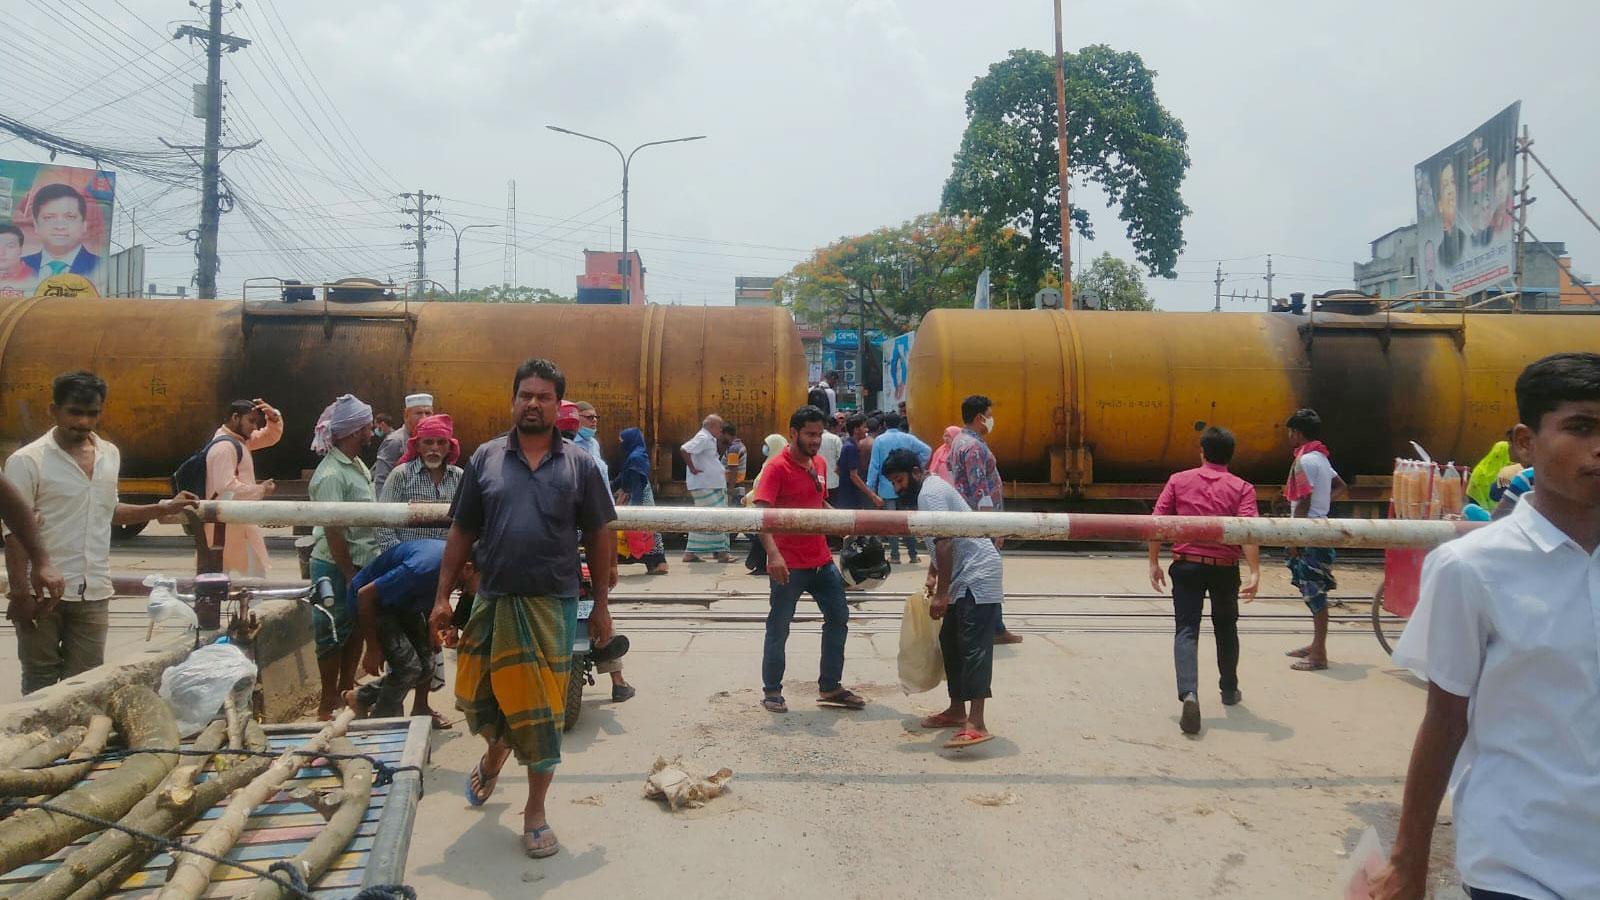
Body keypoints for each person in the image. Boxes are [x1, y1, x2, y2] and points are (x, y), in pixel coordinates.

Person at [1371, 352, 1600, 900]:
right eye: (1581, 427)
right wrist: (1408, 862)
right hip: (1520, 863)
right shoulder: (1472, 568)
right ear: (1525, 443)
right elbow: (1444, 722)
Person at [428, 357, 616, 860]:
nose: (533, 403)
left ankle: (535, 812)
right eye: (525, 395)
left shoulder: (580, 464)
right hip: (492, 603)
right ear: (513, 400)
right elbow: (462, 531)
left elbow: (600, 536)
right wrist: (443, 595)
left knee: (544, 715)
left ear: (559, 405)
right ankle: (493, 757)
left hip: (552, 605)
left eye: (544, 396)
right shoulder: (486, 460)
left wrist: (601, 604)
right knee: (482, 700)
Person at [2, 372, 195, 695]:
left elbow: (110, 511)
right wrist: (20, 593)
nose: (84, 422)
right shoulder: (27, 461)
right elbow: (14, 531)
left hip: (95, 591)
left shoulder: (109, 454)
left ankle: (77, 745)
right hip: (42, 594)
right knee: (40, 681)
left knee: (87, 685)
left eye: (92, 413)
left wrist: (160, 509)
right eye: (75, 412)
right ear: (54, 410)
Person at [882, 448, 1004, 748]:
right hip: (961, 575)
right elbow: (940, 543)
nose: (898, 489)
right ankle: (956, 710)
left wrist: (942, 593)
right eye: (894, 484)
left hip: (978, 575)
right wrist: (934, 573)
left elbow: (945, 541)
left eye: (899, 481)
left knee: (973, 649)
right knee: (950, 643)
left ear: (914, 472)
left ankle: (977, 722)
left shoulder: (929, 494)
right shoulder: (929, 490)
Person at [1147, 426, 1261, 735]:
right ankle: (1229, 689)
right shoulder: (1242, 488)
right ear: (1231, 455)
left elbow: (1158, 521)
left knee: (1186, 630)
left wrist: (1154, 562)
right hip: (1224, 567)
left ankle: (1190, 693)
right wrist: (1254, 571)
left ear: (1202, 452)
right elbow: (1248, 531)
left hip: (1186, 567)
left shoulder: (1179, 480)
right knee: (1226, 628)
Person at [751, 405, 865, 715]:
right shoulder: (777, 468)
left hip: (821, 561)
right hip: (789, 565)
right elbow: (762, 515)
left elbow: (817, 501)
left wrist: (844, 524)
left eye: (819, 435)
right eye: (810, 435)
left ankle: (830, 686)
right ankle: (772, 691)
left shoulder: (820, 463)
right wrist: (773, 556)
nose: (815, 441)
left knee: (838, 618)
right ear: (793, 433)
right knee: (779, 626)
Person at [307, 394, 379, 720]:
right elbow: (334, 530)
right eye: (367, 425)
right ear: (354, 431)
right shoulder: (332, 474)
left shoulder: (356, 465)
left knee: (355, 629)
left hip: (359, 562)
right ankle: (326, 703)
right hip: (336, 564)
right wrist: (349, 571)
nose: (372, 430)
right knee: (330, 633)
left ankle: (346, 691)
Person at [342, 538, 470, 721]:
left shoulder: (454, 565)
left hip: (405, 604)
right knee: (408, 669)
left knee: (427, 665)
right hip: (374, 606)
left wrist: (432, 631)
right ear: (468, 568)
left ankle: (361, 697)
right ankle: (381, 723)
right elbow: (365, 595)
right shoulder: (421, 568)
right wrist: (372, 647)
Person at [559, 402, 634, 703]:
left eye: (592, 418)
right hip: (563, 543)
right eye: (585, 418)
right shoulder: (562, 452)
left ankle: (617, 678)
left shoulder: (592, 447)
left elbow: (605, 516)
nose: (590, 422)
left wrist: (612, 561)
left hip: (587, 540)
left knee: (598, 604)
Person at [947, 395, 1023, 644]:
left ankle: (994, 626)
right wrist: (992, 527)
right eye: (989, 415)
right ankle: (993, 629)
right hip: (979, 523)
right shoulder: (974, 447)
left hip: (967, 519)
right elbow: (980, 489)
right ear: (980, 417)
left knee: (976, 573)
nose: (992, 420)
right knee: (988, 573)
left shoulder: (959, 441)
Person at [1282, 408, 1346, 672]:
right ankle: (1315, 644)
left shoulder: (1305, 461)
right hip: (1321, 529)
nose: (1288, 437)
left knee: (1314, 593)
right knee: (1314, 591)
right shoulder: (1320, 458)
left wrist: (1295, 538)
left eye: (1290, 432)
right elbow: (1341, 486)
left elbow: (1304, 500)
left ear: (1297, 433)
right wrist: (1325, 507)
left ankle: (1319, 654)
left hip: (1308, 533)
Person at [202, 398, 284, 578]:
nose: (255, 427)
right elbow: (226, 487)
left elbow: (269, 437)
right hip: (227, 524)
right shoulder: (225, 447)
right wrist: (260, 490)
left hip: (237, 521)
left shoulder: (239, 441)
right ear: (235, 418)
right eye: (251, 421)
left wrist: (274, 417)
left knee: (241, 578)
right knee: (238, 579)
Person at [376, 414, 464, 548]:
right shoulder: (401, 475)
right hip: (407, 561)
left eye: (441, 442)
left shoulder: (459, 477)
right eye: (428, 442)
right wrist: (400, 555)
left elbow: (468, 523)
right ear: (417, 445)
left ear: (450, 447)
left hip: (447, 561)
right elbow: (382, 521)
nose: (434, 448)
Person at [864, 412, 930, 565]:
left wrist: (871, 489)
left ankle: (895, 556)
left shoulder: (879, 440)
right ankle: (913, 555)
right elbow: (927, 451)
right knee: (908, 521)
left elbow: (874, 465)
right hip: (906, 485)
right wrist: (916, 467)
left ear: (884, 425)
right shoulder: (908, 438)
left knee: (891, 523)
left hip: (887, 488)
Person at [614, 427, 668, 576]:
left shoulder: (636, 458)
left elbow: (637, 482)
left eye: (622, 441)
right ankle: (658, 563)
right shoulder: (635, 455)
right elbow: (621, 478)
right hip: (639, 496)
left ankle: (658, 564)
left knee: (643, 532)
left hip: (639, 498)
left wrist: (635, 508)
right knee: (648, 531)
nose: (621, 444)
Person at [680, 414, 733, 563]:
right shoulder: (703, 438)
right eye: (719, 426)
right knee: (712, 518)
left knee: (714, 518)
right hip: (705, 485)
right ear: (712, 426)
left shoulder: (709, 439)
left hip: (712, 484)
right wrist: (693, 468)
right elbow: (685, 449)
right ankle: (715, 553)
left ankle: (717, 552)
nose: (721, 430)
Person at [20, 184, 99, 280]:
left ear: (84, 225)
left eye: (70, 217)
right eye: (49, 217)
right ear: (36, 225)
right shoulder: (18, 266)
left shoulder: (99, 266)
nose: (60, 226)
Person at [741, 434, 788, 576]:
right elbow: (759, 487)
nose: (764, 448)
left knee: (762, 537)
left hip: (769, 507)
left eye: (767, 445)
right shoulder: (768, 463)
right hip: (761, 504)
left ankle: (757, 564)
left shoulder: (775, 466)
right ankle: (757, 564)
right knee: (762, 537)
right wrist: (749, 497)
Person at [372, 392, 434, 496]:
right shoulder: (395, 441)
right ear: (406, 415)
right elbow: (381, 482)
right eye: (418, 413)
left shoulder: (433, 442)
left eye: (428, 413)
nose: (424, 418)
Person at [832, 415, 872, 511]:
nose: (866, 430)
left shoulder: (847, 445)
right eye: (864, 427)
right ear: (856, 429)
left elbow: (837, 469)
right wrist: (872, 495)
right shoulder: (851, 448)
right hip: (850, 497)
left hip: (845, 494)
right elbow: (854, 476)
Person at [571, 401, 610, 487]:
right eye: (590, 417)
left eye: (596, 417)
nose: (595, 420)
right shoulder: (570, 445)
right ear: (576, 418)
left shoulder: (594, 443)